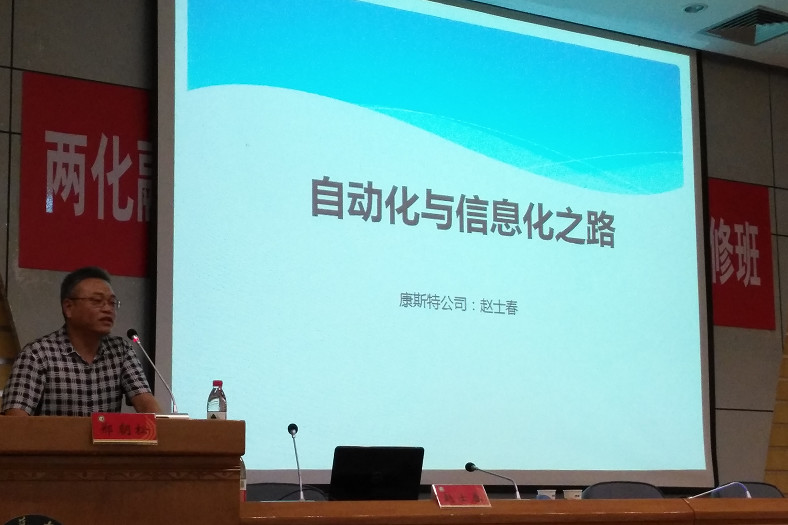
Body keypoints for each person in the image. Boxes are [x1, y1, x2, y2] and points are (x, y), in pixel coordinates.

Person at [1, 266, 160, 416]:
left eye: (112, 303)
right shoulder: (37, 354)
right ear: (68, 307)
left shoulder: (121, 351)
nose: (108, 309)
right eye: (97, 301)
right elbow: (16, 420)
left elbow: (147, 406)